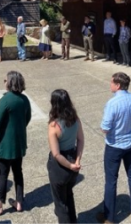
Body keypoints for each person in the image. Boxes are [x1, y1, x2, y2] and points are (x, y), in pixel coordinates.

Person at [0, 71, 32, 216]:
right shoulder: (25, 100)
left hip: (5, 145)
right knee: (18, 172)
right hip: (19, 143)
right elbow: (27, 119)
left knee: (2, 174)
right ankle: (19, 202)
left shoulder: (5, 100)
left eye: (5, 80)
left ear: (9, 83)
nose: (3, 82)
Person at [98, 72, 131, 224]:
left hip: (114, 146)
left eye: (111, 82)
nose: (110, 85)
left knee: (111, 181)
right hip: (130, 142)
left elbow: (105, 127)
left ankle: (109, 218)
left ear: (117, 85)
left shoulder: (112, 103)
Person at [47, 89, 85, 224]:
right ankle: (73, 221)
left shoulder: (54, 125)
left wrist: (69, 165)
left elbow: (56, 154)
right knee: (69, 194)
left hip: (60, 167)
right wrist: (77, 161)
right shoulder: (76, 119)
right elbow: (80, 140)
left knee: (60, 203)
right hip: (73, 158)